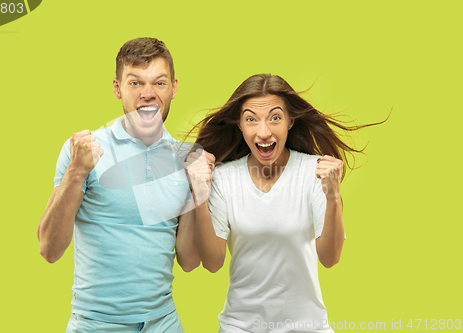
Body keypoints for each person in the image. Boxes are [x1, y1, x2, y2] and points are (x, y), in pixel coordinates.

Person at [185, 74, 380, 333]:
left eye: (275, 118)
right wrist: (200, 198)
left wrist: (333, 196)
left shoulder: (315, 172)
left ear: (290, 121)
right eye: (251, 119)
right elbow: (212, 263)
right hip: (241, 328)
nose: (263, 132)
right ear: (240, 126)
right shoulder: (224, 178)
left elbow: (330, 258)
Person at [37, 37, 200, 333]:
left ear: (174, 87)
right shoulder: (84, 149)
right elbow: (49, 249)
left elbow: (189, 261)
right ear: (117, 88)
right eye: (135, 83)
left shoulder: (186, 159)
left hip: (163, 323)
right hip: (96, 325)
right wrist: (76, 173)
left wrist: (197, 192)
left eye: (159, 83)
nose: (148, 94)